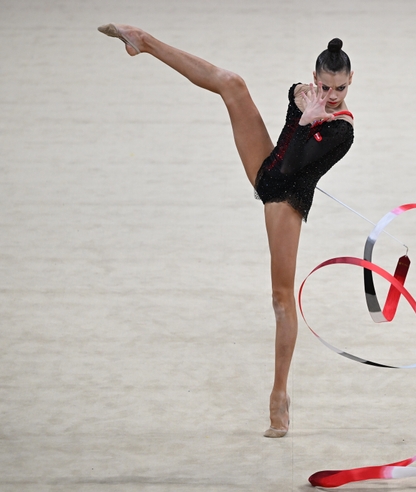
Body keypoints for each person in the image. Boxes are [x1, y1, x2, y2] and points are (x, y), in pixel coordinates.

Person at [98, 23, 355, 438]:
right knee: (232, 84)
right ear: (314, 77)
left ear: (349, 82)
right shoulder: (305, 94)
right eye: (323, 87)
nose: (331, 96)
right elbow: (284, 143)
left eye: (338, 89)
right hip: (266, 169)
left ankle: (279, 396)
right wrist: (300, 103)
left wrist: (310, 120)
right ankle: (143, 41)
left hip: (286, 199)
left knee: (280, 297)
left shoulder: (343, 131)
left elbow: (294, 167)